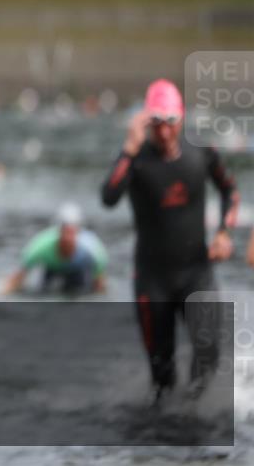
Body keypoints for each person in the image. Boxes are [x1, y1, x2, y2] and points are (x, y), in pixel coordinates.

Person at [101, 79, 239, 404]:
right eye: (157, 124)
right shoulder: (136, 159)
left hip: (196, 274)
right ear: (147, 122)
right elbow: (108, 196)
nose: (164, 132)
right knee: (162, 382)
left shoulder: (201, 151)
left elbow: (230, 191)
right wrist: (129, 148)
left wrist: (223, 233)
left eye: (171, 123)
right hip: (153, 282)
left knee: (208, 361)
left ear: (182, 119)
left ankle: (198, 428)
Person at [2, 203, 108, 296]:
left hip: (78, 272)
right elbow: (18, 277)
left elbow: (100, 284)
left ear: (78, 232)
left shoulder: (93, 249)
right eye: (64, 231)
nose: (68, 237)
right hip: (52, 270)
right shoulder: (40, 245)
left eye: (72, 232)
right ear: (58, 231)